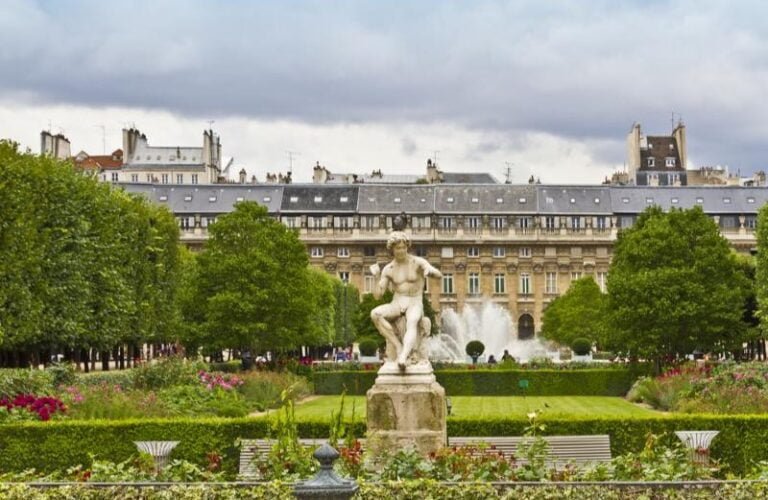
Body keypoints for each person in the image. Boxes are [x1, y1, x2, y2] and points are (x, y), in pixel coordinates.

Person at [370, 230, 442, 370]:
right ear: (392, 250)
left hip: (415, 301)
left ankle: (403, 356)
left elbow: (438, 275)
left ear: (407, 247)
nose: (401, 250)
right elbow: (378, 296)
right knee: (375, 314)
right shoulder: (388, 269)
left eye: (404, 247)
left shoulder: (417, 262)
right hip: (397, 302)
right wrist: (377, 277)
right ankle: (398, 346)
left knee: (412, 320)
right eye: (398, 248)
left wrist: (429, 270)